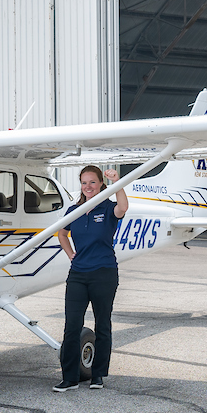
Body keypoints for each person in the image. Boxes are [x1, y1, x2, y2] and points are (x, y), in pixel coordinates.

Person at [53, 164, 127, 392]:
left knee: (102, 324)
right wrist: (70, 253)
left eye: (92, 182)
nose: (88, 187)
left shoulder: (108, 208)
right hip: (78, 274)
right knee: (71, 326)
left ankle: (97, 375)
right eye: (84, 183)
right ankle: (70, 378)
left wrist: (117, 181)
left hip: (103, 273)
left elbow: (123, 207)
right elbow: (62, 233)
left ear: (101, 184)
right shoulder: (74, 210)